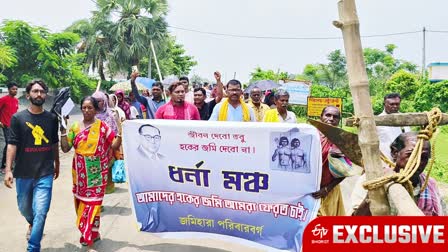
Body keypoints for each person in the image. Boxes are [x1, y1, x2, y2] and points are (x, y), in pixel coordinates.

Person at [3, 80, 60, 252]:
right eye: (35, 91)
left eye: (42, 92)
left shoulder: (51, 118)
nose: (39, 94)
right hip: (23, 173)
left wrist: (57, 163)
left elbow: (54, 144)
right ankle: (31, 223)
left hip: (45, 173)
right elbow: (12, 144)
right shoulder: (18, 118)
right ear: (28, 95)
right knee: (25, 208)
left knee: (41, 212)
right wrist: (8, 170)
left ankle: (33, 247)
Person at [60, 96, 122, 251]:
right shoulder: (75, 127)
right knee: (82, 205)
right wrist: (62, 131)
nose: (87, 110)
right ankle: (94, 233)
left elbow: (114, 145)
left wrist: (120, 132)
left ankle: (87, 239)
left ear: (96, 110)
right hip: (79, 174)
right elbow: (66, 149)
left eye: (90, 108)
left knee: (92, 205)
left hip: (97, 174)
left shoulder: (102, 127)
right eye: (84, 107)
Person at [351, 132, 444, 216]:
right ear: (394, 153)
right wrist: (373, 193)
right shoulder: (371, 180)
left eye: (423, 157)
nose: (417, 162)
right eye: (411, 155)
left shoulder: (430, 184)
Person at [311, 106, 352, 216]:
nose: (331, 118)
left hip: (329, 190)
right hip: (309, 190)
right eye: (328, 115)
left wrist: (326, 189)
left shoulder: (341, 141)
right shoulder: (311, 136)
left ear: (339, 120)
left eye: (335, 117)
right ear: (321, 117)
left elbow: (345, 170)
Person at [92, 91, 119, 194]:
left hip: (108, 150)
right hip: (93, 151)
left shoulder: (110, 115)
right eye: (95, 101)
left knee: (106, 175)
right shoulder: (89, 115)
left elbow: (115, 133)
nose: (97, 103)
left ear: (104, 102)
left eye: (100, 101)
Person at [377, 93, 411, 160]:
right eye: (391, 104)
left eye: (397, 104)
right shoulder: (377, 121)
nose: (395, 106)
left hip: (404, 158)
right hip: (385, 159)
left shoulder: (405, 118)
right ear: (384, 104)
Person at [0, 82, 19, 173]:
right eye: (13, 89)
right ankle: (4, 166)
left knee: (14, 143)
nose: (15, 91)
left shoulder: (16, 100)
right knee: (9, 144)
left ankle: (11, 164)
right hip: (5, 125)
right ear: (9, 90)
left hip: (14, 126)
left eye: (16, 89)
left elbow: (15, 113)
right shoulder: (3, 99)